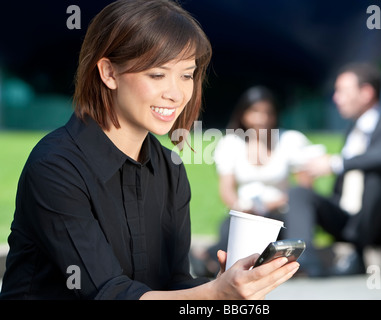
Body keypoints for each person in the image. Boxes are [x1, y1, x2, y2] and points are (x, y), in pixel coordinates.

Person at [0, 0, 299, 300]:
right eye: (157, 74)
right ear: (109, 73)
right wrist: (214, 294)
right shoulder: (55, 167)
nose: (175, 93)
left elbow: (173, 284)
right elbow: (107, 293)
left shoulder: (169, 168)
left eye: (186, 75)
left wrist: (223, 285)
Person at [286, 62, 381, 276]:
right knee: (299, 193)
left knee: (377, 175)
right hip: (348, 218)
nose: (336, 98)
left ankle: (358, 251)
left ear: (366, 93)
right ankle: (305, 260)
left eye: (342, 91)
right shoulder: (354, 128)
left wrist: (336, 163)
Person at [191, 85, 326, 278]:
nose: (262, 119)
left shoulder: (289, 140)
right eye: (255, 112)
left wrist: (272, 203)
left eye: (268, 113)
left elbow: (304, 188)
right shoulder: (231, 144)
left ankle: (210, 260)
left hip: (281, 211)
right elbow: (227, 190)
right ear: (243, 114)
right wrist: (244, 206)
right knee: (232, 226)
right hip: (247, 212)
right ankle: (209, 259)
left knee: (276, 227)